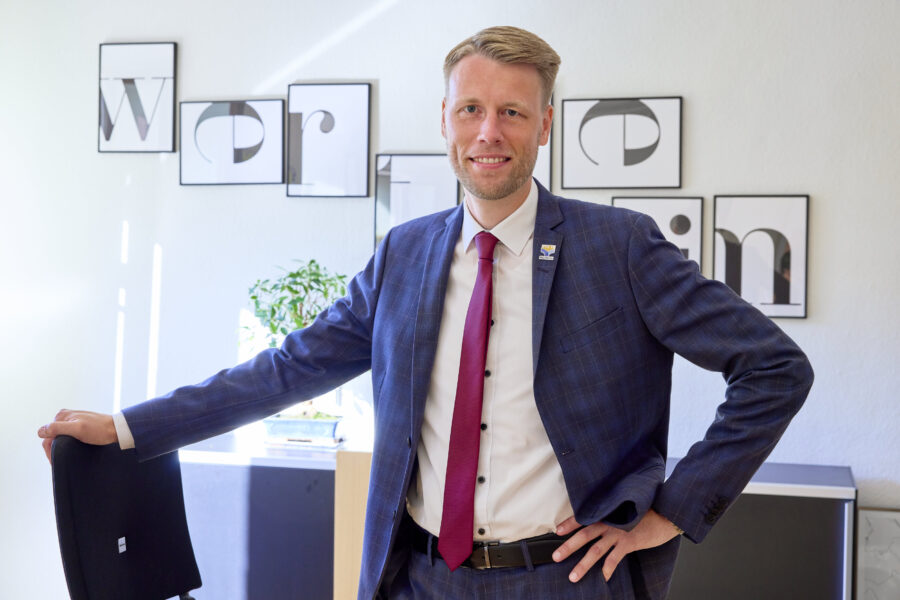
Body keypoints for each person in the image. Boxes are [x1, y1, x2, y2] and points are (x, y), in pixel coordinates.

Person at [39, 26, 813, 599]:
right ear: (444, 120)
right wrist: (127, 427)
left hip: (565, 581)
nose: (489, 132)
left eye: (512, 113)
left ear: (545, 126)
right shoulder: (403, 255)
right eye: (471, 109)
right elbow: (286, 370)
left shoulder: (621, 247)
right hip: (418, 578)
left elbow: (775, 367)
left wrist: (670, 513)